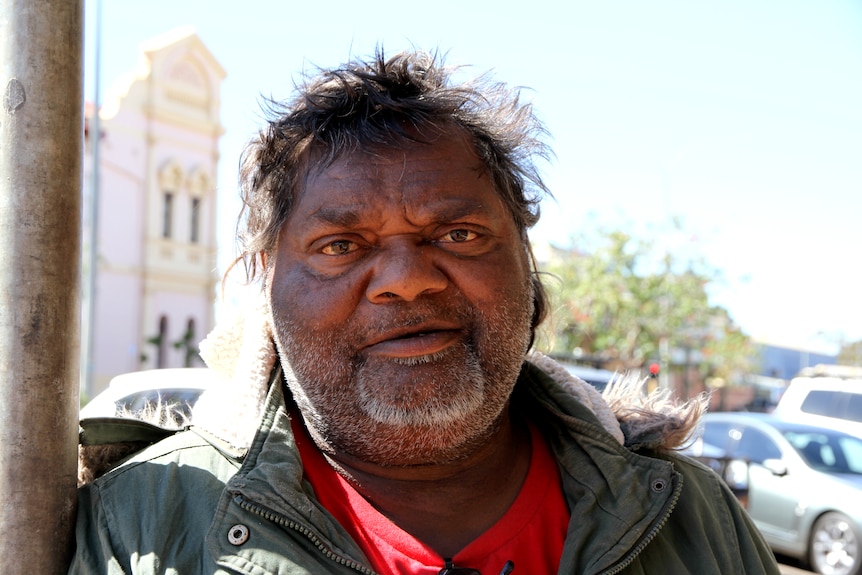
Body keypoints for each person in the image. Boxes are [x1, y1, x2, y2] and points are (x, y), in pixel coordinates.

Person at [70, 49, 780, 574]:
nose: (406, 281)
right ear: (265, 287)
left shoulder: (692, 519)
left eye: (458, 234)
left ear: (529, 275)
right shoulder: (143, 524)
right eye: (341, 244)